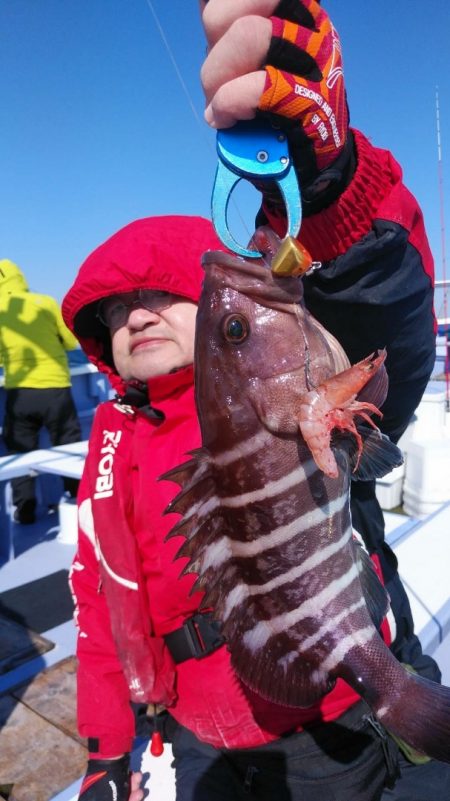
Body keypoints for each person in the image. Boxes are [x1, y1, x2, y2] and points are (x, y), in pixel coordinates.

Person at [61, 2, 449, 800]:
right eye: (110, 313)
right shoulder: (111, 442)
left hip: (328, 724)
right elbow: (101, 607)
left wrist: (330, 188)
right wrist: (107, 748)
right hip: (195, 736)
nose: (131, 316)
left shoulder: (303, 389)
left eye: (155, 296)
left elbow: (387, 332)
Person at [0, 258, 82, 524]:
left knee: (21, 453)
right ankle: (78, 495)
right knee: (68, 445)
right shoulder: (45, 303)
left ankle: (25, 510)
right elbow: (71, 341)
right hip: (56, 388)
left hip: (19, 394)